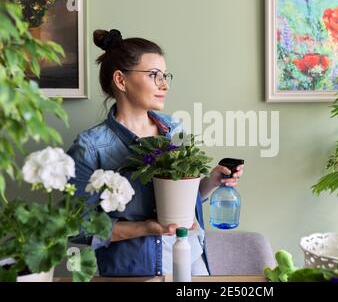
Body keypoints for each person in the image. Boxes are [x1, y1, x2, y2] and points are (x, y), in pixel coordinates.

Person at [67, 29, 244, 277]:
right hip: (132, 271)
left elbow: (182, 196)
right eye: (154, 75)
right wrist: (146, 228)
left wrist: (210, 182)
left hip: (191, 261)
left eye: (165, 75)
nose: (164, 84)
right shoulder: (89, 147)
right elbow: (76, 226)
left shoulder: (176, 129)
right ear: (121, 80)